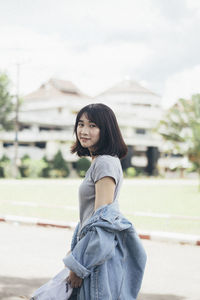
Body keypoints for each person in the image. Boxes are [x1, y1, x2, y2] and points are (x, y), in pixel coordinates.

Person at [63, 103, 147, 300]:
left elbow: (102, 222)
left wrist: (79, 265)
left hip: (96, 260)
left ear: (106, 130)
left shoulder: (105, 163)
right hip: (93, 254)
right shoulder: (100, 161)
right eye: (81, 124)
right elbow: (92, 216)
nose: (84, 131)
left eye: (92, 125)